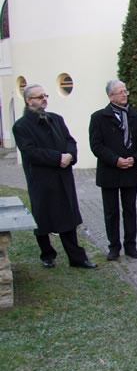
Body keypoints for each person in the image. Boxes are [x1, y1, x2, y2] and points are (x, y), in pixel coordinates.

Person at [12, 84, 98, 269]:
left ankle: (77, 258)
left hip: (63, 176)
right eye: (39, 97)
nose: (44, 99)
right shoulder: (21, 126)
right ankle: (47, 254)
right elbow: (30, 152)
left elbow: (70, 140)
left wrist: (70, 155)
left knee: (68, 218)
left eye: (45, 95)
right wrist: (58, 158)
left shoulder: (56, 119)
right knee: (43, 218)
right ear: (29, 101)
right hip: (41, 179)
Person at [89, 80, 137, 261]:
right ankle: (114, 247)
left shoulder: (136, 116)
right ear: (110, 96)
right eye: (120, 92)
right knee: (111, 212)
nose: (124, 94)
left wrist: (135, 158)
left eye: (125, 91)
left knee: (130, 210)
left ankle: (131, 246)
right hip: (110, 171)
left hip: (130, 170)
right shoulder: (99, 117)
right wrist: (115, 160)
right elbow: (96, 145)